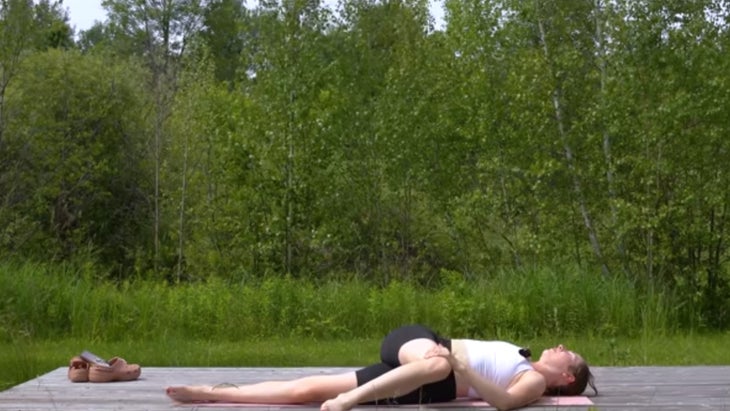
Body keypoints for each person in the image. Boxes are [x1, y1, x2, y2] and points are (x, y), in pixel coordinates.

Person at [166, 324, 596, 411]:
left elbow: (503, 403)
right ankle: (350, 402)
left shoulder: (535, 380)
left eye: (568, 354)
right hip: (417, 346)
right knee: (435, 362)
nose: (561, 346)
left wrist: (463, 365)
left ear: (566, 378)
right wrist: (451, 358)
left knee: (304, 391)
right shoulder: (524, 357)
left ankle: (214, 392)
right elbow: (447, 358)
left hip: (426, 379)